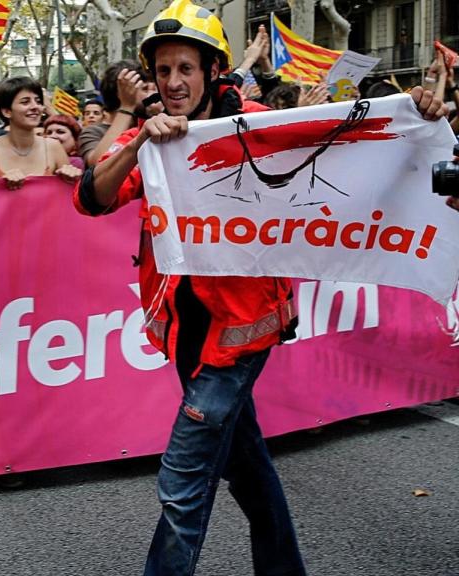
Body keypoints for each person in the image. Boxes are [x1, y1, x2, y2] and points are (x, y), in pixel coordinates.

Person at [76, 2, 447, 575]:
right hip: (185, 335)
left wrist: (415, 114)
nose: (173, 83)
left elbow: (355, 141)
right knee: (248, 474)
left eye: (186, 69)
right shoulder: (154, 134)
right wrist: (136, 143)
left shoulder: (253, 120)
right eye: (163, 70)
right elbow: (91, 199)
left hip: (239, 339)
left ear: (212, 71)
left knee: (183, 481)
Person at [0, 76, 82, 189]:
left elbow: (68, 196)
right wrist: (0, 186)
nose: (35, 107)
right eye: (25, 102)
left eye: (38, 101)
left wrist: (71, 178)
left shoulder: (54, 147)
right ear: (7, 111)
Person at [80, 60, 159, 167]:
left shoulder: (152, 125)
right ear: (122, 94)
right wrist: (127, 106)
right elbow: (98, 164)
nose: (152, 94)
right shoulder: (94, 132)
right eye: (145, 88)